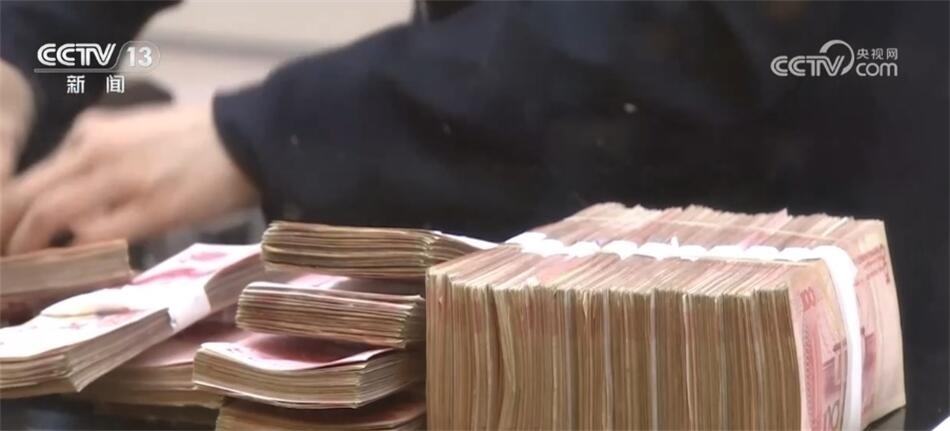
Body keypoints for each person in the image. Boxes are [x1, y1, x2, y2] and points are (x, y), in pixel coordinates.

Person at [0, 1, 947, 427]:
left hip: (787, 266)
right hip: (496, 300)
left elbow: (691, 25)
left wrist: (262, 132)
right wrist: (24, 45)